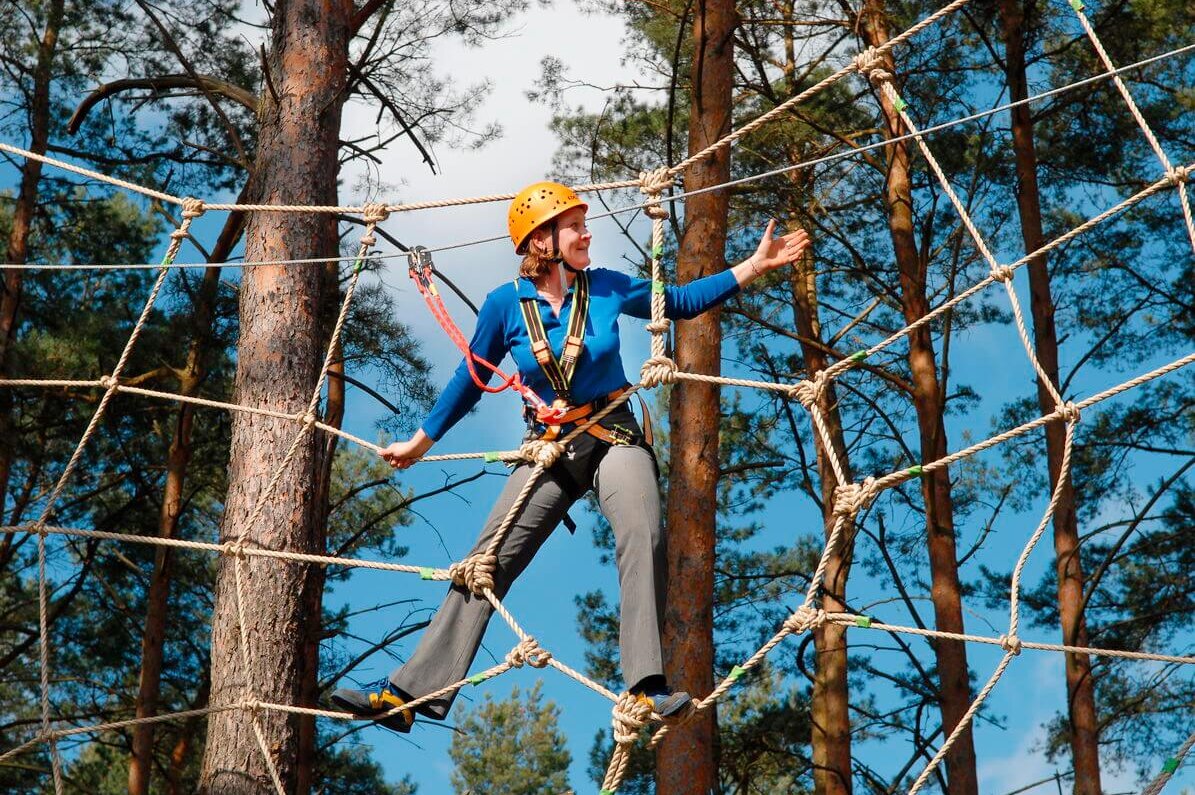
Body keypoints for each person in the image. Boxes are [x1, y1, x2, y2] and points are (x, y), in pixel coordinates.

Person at [331, 181, 810, 732]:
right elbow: (472, 376)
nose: (587, 235)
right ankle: (407, 695)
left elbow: (677, 302)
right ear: (542, 240)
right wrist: (422, 440)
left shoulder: (605, 287)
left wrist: (753, 266)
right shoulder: (506, 305)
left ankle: (646, 687)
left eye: (585, 225)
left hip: (614, 433)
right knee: (486, 562)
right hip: (553, 447)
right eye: (575, 227)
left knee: (644, 533)